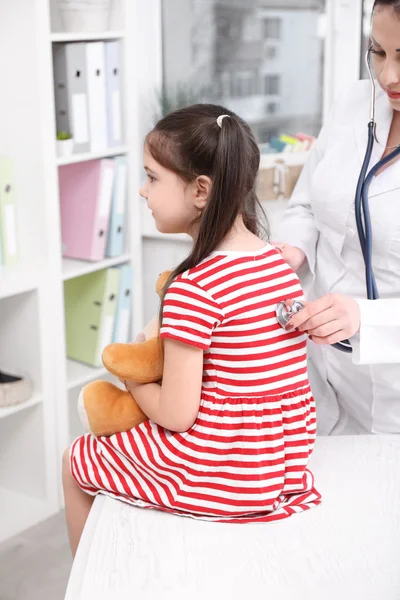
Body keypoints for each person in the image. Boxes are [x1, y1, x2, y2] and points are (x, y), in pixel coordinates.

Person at [62, 104, 321, 557]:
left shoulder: (196, 286)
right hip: (280, 463)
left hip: (226, 470)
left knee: (74, 459)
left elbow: (177, 415)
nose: (143, 192)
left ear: (201, 190)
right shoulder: (277, 264)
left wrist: (132, 377)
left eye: (152, 178)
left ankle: (88, 585)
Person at [274, 0, 400, 436]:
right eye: (379, 52)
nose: (388, 78)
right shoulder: (353, 103)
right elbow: (307, 203)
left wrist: (365, 317)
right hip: (319, 370)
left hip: (392, 393)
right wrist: (290, 251)